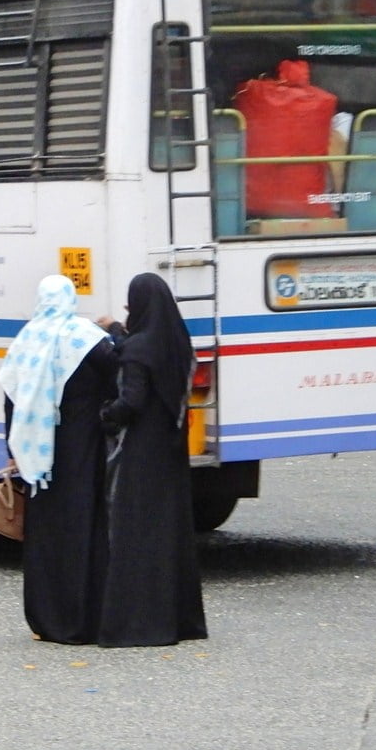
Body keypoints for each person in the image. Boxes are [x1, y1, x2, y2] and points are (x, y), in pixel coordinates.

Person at [0, 275, 118, 644]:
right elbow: (118, 377)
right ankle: (87, 617)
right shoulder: (86, 338)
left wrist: (15, 452)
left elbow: (11, 397)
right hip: (83, 448)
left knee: (46, 535)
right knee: (85, 526)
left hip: (40, 458)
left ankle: (46, 619)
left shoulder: (26, 340)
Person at [97, 273, 208, 646]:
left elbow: (131, 401)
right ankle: (180, 620)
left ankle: (139, 623)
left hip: (141, 451)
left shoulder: (137, 350)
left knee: (137, 532)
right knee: (169, 531)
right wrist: (117, 330)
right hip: (171, 448)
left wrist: (104, 415)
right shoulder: (177, 342)